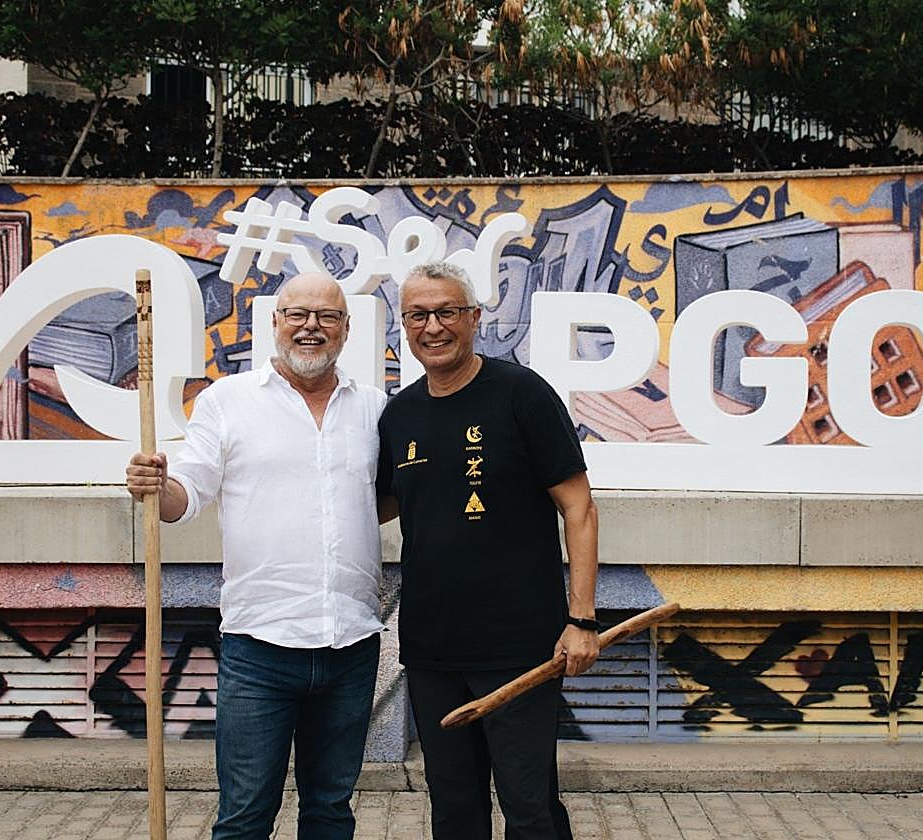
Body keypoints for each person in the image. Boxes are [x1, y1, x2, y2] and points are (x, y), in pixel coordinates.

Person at [126, 271, 387, 840]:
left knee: (330, 812)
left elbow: (389, 498)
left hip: (350, 645)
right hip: (259, 649)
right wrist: (157, 486)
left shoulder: (374, 409)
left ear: (345, 329)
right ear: (274, 323)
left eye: (326, 317)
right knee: (244, 817)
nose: (311, 326)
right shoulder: (228, 402)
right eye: (297, 314)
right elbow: (185, 495)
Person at [376, 261, 600, 839]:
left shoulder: (520, 394)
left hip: (519, 646)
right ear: (404, 324)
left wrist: (581, 619)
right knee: (453, 807)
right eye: (418, 314)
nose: (433, 327)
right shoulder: (400, 415)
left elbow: (579, 507)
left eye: (447, 311)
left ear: (474, 318)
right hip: (433, 649)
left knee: (529, 807)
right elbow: (373, 507)